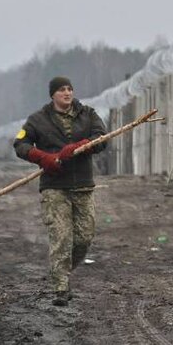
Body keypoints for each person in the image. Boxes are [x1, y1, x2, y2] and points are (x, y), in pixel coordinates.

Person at [13, 76, 108, 306]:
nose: (67, 93)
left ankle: (63, 269)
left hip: (82, 185)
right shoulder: (38, 120)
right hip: (54, 187)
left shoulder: (88, 115)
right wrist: (42, 157)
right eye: (62, 90)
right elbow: (20, 144)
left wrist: (79, 146)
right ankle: (61, 287)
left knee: (84, 237)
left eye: (70, 89)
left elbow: (101, 138)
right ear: (53, 95)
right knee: (61, 236)